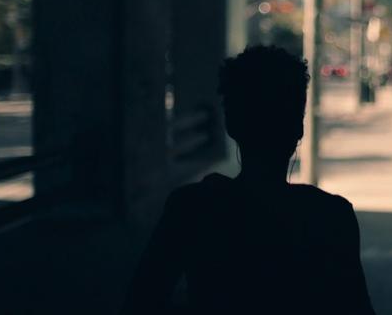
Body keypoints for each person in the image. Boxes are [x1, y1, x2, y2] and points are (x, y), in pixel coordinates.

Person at [123, 45, 375, 314]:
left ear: (231, 124)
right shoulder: (331, 216)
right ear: (298, 128)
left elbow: (142, 302)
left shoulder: (190, 209)